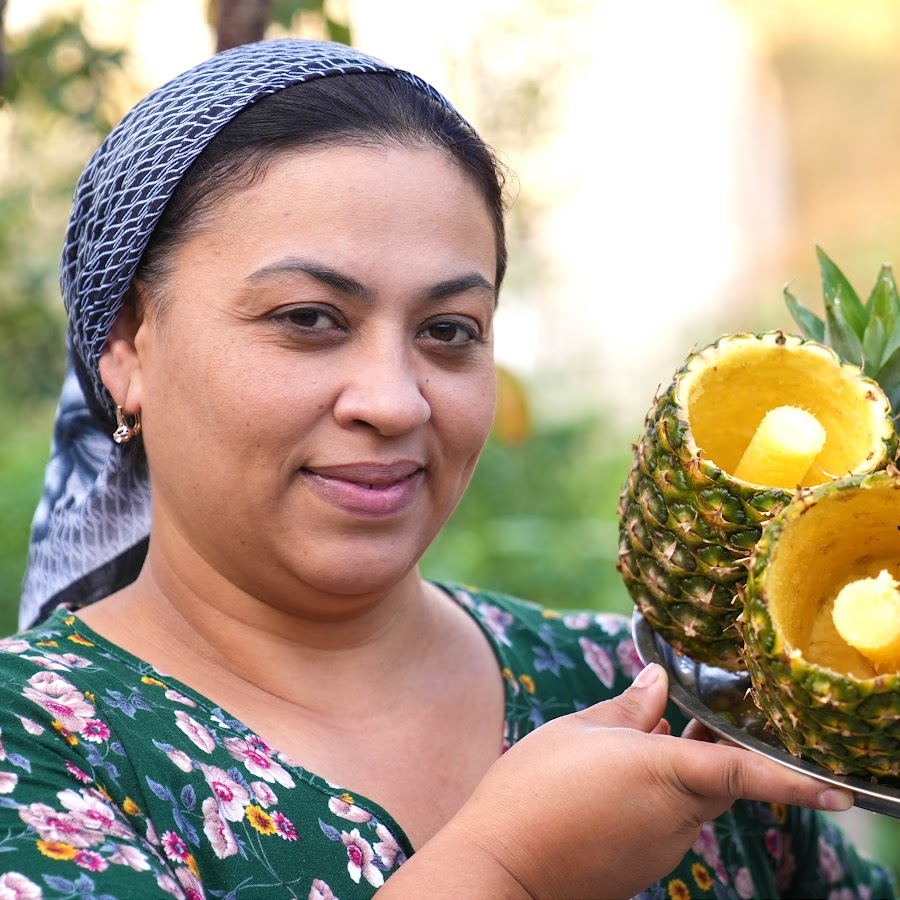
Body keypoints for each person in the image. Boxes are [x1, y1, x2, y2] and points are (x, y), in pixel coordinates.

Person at [3, 38, 894, 900]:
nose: (394, 402)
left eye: (449, 331)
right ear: (129, 343)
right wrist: (509, 871)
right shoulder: (38, 740)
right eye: (309, 317)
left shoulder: (652, 692)